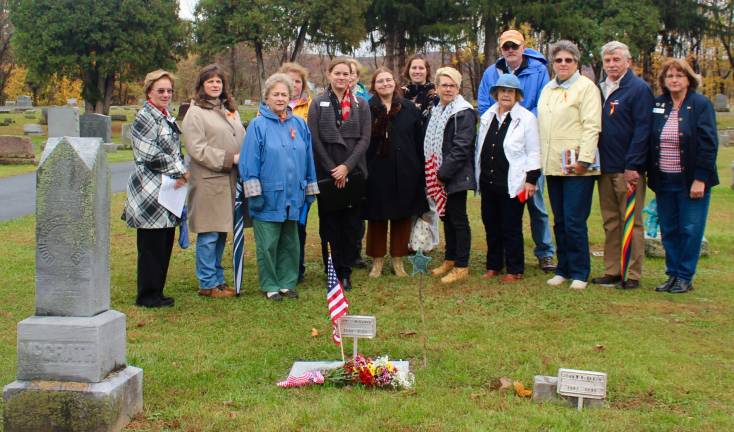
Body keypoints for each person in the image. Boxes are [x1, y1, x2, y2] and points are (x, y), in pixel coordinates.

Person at [477, 29, 556, 273]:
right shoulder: (492, 73)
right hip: (497, 156)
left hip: (525, 141)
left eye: (515, 46)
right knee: (494, 217)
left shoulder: (538, 70)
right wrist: (501, 118)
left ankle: (544, 252)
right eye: (506, 46)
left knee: (536, 207)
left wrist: (520, 121)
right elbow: (483, 103)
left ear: (523, 47)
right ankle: (496, 261)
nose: (510, 50)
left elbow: (543, 103)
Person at [239, 73, 318, 301]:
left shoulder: (299, 124)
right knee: (268, 245)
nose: (280, 98)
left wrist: (310, 190)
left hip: (294, 196)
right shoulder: (257, 125)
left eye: (284, 94)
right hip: (268, 197)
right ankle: (270, 284)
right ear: (267, 97)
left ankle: (286, 282)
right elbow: (248, 163)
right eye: (276, 94)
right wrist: (254, 194)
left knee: (290, 243)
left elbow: (309, 158)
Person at [648, 58, 719, 294]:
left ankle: (685, 276)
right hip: (664, 179)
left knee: (690, 229)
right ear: (664, 81)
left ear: (688, 79)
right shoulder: (659, 104)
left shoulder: (700, 104)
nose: (674, 80)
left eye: (679, 75)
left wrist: (701, 178)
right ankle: (672, 274)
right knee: (669, 229)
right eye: (670, 76)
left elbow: (709, 144)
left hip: (691, 180)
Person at [537, 40, 602, 290]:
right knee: (560, 220)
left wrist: (584, 159)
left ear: (577, 63)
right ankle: (563, 268)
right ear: (553, 64)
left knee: (575, 220)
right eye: (559, 60)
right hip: (553, 164)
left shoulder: (586, 88)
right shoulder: (548, 89)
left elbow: (591, 125)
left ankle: (580, 271)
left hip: (578, 166)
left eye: (568, 60)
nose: (563, 64)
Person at [122, 69, 187, 308]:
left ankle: (158, 292)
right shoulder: (144, 116)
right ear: (149, 92)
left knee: (164, 241)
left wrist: (178, 171)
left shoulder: (165, 115)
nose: (166, 94)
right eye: (161, 90)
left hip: (168, 189)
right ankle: (147, 295)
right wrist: (179, 169)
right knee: (150, 245)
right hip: (149, 190)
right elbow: (148, 153)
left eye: (169, 90)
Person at [591, 41, 653, 290]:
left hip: (628, 169)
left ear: (628, 61)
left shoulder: (638, 89)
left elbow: (643, 130)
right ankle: (612, 270)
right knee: (611, 222)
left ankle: (633, 273)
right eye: (607, 60)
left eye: (617, 59)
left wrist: (634, 166)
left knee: (632, 222)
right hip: (604, 167)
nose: (612, 65)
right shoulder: (600, 88)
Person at [182, 64, 246, 299]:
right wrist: (231, 158)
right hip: (209, 180)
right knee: (208, 233)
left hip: (229, 180)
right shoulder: (195, 112)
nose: (215, 85)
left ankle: (218, 280)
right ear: (202, 85)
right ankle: (207, 283)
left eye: (218, 81)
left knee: (221, 232)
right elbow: (197, 148)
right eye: (210, 81)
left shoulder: (229, 109)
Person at [308, 58, 371, 291]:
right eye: (338, 73)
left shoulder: (361, 104)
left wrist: (346, 167)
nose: (342, 78)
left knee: (350, 225)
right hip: (327, 174)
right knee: (330, 226)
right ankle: (332, 270)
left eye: (346, 74)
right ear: (329, 75)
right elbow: (314, 138)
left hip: (353, 173)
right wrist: (333, 169)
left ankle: (346, 271)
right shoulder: (318, 103)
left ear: (352, 77)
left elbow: (365, 139)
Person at [475, 73, 541, 283]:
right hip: (488, 181)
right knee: (491, 224)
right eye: (502, 90)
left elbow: (533, 152)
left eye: (510, 91)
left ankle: (515, 269)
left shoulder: (527, 119)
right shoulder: (488, 116)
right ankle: (493, 265)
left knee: (511, 227)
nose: (505, 95)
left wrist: (531, 179)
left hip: (513, 183)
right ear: (496, 93)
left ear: (517, 95)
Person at [365, 67, 428, 278]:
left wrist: (420, 168)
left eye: (388, 80)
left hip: (406, 169)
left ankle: (398, 260)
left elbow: (419, 141)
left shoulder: (409, 108)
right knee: (377, 217)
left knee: (402, 216)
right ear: (374, 85)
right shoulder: (367, 109)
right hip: (377, 170)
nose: (385, 84)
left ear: (395, 83)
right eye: (380, 81)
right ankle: (377, 261)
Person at [426, 67, 477, 284]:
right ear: (436, 88)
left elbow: (462, 147)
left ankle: (462, 265)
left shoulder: (463, 112)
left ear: (458, 88)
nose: (448, 89)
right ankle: (450, 258)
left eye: (452, 85)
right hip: (437, 170)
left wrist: (443, 174)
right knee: (446, 217)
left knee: (458, 219)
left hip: (454, 174)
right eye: (444, 85)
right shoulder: (436, 109)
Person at [278, 61, 312, 283]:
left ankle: (297, 267)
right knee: (279, 223)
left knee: (299, 223)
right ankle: (280, 265)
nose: (294, 85)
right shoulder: (273, 105)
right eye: (289, 81)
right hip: (279, 176)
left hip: (302, 174)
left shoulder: (311, 106)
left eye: (298, 81)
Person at [401, 54, 437, 124]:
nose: (417, 71)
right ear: (408, 70)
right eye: (414, 68)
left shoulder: (436, 92)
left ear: (427, 71)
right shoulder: (400, 93)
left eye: (421, 68)